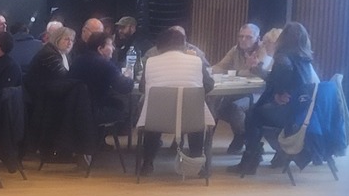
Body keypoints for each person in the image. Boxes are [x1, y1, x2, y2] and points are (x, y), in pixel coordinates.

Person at [228, 22, 319, 176]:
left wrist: (278, 93)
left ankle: (250, 160)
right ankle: (260, 157)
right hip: (301, 111)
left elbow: (275, 83)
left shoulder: (283, 58)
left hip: (288, 113)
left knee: (253, 115)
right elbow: (281, 80)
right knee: (256, 113)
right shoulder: (303, 57)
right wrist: (259, 71)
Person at [135, 26, 214, 176]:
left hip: (157, 121)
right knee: (195, 113)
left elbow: (142, 87)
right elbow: (209, 85)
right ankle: (197, 164)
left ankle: (147, 163)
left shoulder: (151, 62)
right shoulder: (196, 61)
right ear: (183, 44)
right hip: (191, 121)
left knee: (154, 112)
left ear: (160, 45)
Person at [211, 24, 272, 154]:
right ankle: (207, 142)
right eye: (241, 36)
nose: (243, 40)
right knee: (215, 104)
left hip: (257, 93)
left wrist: (236, 72)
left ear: (257, 39)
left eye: (249, 37)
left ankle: (242, 135)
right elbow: (219, 67)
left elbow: (255, 72)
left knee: (235, 107)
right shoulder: (235, 50)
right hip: (237, 91)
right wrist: (212, 70)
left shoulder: (264, 50)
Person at [68, 31, 134, 125]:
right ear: (100, 49)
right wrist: (128, 77)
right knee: (122, 107)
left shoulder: (77, 60)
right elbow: (124, 87)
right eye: (110, 45)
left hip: (73, 109)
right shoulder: (104, 64)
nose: (113, 48)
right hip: (95, 111)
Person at [25, 27, 75, 101]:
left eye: (72, 40)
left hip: (49, 94)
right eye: (66, 39)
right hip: (38, 97)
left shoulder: (64, 54)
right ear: (57, 39)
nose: (70, 43)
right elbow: (64, 75)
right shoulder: (49, 54)